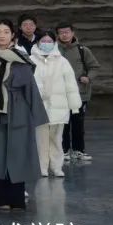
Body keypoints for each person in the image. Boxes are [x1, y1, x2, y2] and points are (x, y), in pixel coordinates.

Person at [0, 20, 48, 211]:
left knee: (18, 155)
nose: (2, 35)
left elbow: (31, 89)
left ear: (12, 36)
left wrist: (37, 117)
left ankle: (16, 198)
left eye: (6, 32)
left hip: (19, 112)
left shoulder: (21, 58)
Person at [30, 30, 81, 178]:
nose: (46, 44)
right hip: (39, 106)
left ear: (54, 43)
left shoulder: (62, 61)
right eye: (43, 41)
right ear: (38, 42)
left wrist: (74, 105)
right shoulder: (30, 60)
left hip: (59, 107)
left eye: (49, 41)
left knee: (57, 139)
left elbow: (70, 84)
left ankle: (57, 167)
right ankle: (42, 167)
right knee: (40, 139)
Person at [57, 22, 97, 162]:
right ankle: (64, 151)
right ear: (58, 35)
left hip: (80, 93)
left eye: (67, 32)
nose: (64, 35)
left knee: (78, 124)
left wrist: (88, 77)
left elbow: (94, 66)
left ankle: (79, 150)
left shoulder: (82, 50)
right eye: (61, 32)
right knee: (63, 124)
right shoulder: (54, 51)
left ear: (72, 33)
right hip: (60, 94)